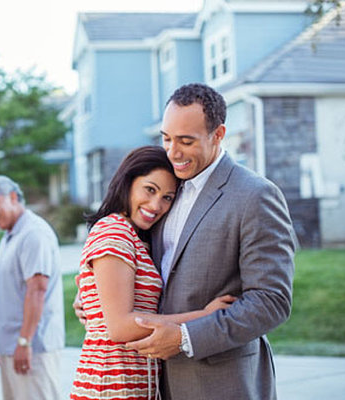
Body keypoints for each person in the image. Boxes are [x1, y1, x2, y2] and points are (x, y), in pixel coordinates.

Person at [125, 83, 295, 399]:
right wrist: (99, 300)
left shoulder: (256, 196)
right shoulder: (165, 189)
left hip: (222, 382)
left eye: (186, 141)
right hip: (159, 383)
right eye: (166, 139)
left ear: (218, 135)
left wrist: (185, 337)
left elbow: (272, 301)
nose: (172, 152)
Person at [70, 146, 236, 400]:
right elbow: (120, 327)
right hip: (110, 385)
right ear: (128, 182)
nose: (156, 205)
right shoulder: (113, 232)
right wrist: (205, 317)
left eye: (167, 197)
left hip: (133, 384)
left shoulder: (137, 237)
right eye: (150, 189)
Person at [0, 175, 65, 400]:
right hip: (13, 349)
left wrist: (23, 342)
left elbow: (37, 290)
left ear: (13, 197)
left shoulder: (33, 234)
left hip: (32, 350)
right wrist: (4, 345)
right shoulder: (10, 235)